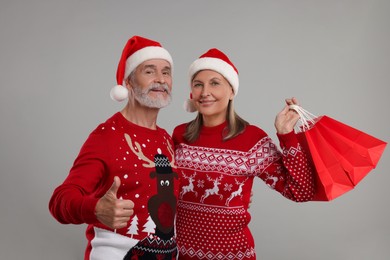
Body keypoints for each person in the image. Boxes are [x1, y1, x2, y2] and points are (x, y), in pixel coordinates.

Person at [172, 48, 315, 259]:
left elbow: (300, 191)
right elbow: (161, 188)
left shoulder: (252, 139)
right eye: (198, 84)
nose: (205, 92)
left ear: (231, 91)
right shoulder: (179, 135)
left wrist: (286, 135)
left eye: (215, 83)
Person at [49, 36, 179, 260]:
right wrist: (96, 209)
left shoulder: (167, 139)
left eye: (166, 71)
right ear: (128, 82)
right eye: (149, 71)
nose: (160, 79)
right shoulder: (106, 137)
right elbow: (60, 201)